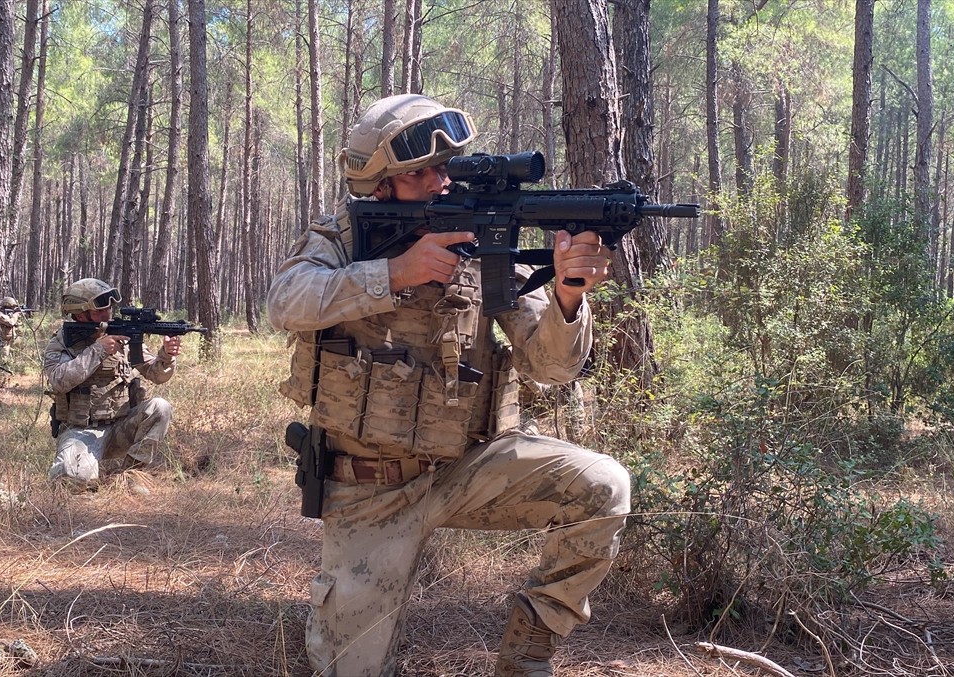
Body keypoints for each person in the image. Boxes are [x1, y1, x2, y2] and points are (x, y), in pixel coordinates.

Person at [267, 94, 632, 676]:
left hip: (468, 468)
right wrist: (392, 275)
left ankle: (528, 649)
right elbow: (285, 302)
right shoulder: (342, 237)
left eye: (447, 166)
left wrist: (567, 295)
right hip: (370, 488)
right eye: (420, 173)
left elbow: (551, 368)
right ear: (380, 187)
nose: (441, 181)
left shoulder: (481, 236)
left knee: (603, 486)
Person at [43, 278, 182, 493]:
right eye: (100, 311)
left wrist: (167, 356)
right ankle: (87, 469)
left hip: (121, 427)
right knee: (71, 481)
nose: (108, 313)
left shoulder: (122, 336)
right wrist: (97, 351)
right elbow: (58, 380)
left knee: (160, 407)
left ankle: (132, 475)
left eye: (109, 308)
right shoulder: (62, 343)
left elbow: (156, 374)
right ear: (81, 314)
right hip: (82, 430)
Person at [0, 296, 23, 360]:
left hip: (10, 340)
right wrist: (16, 315)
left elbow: (16, 325)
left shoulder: (10, 315)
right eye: (12, 307)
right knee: (2, 357)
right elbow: (11, 322)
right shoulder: (0, 314)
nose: (13, 309)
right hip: (2, 340)